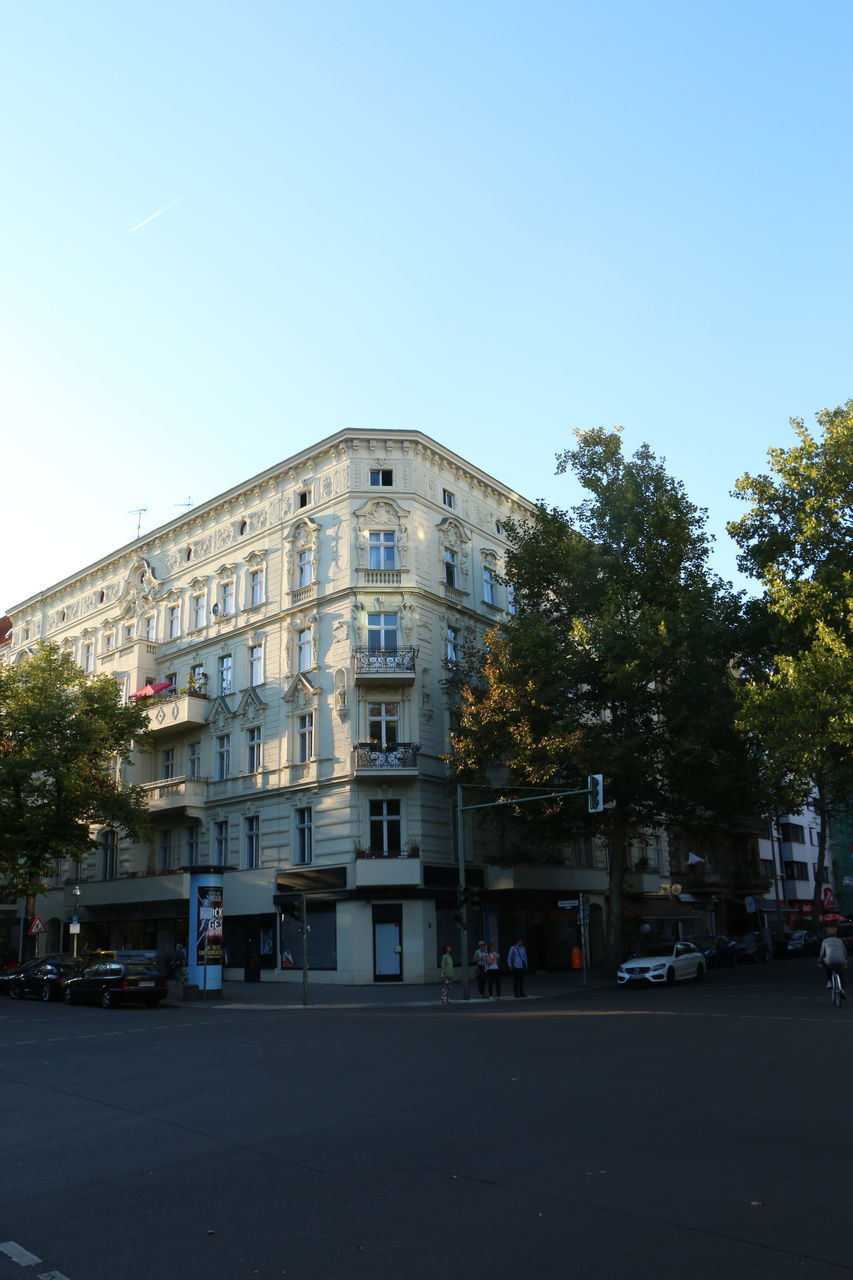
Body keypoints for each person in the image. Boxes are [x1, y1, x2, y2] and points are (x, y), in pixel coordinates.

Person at [819, 929, 847, 997]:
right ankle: (842, 989)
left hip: (830, 960)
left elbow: (822, 953)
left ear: (827, 935)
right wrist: (846, 959)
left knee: (826, 964)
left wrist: (820, 961)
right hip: (841, 960)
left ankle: (829, 982)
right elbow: (845, 951)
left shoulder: (825, 941)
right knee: (840, 973)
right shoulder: (840, 940)